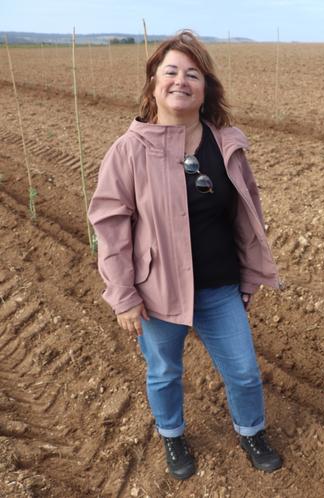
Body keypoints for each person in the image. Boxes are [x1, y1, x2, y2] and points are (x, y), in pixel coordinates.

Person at [88, 30, 282, 480]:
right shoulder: (129, 150)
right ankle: (172, 436)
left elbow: (246, 212)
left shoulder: (225, 144)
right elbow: (111, 226)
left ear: (205, 88)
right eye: (171, 71)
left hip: (219, 286)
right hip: (156, 291)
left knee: (246, 373)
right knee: (163, 372)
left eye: (192, 74)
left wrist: (250, 275)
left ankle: (251, 431)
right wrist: (123, 294)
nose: (181, 80)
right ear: (154, 82)